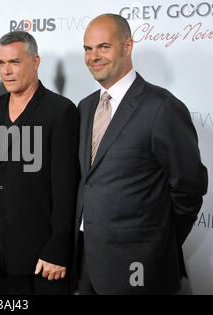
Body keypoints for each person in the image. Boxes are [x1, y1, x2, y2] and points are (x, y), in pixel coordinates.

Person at [74, 14, 208, 295]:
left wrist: (157, 242)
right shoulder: (86, 107)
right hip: (88, 262)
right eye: (88, 49)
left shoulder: (161, 107)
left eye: (104, 47)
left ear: (128, 46)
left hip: (140, 265)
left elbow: (189, 187)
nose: (93, 56)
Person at [0, 31, 79, 295]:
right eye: (1, 63)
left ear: (35, 62)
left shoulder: (60, 111)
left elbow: (67, 188)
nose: (6, 71)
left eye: (14, 62)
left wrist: (58, 248)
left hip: (44, 258)